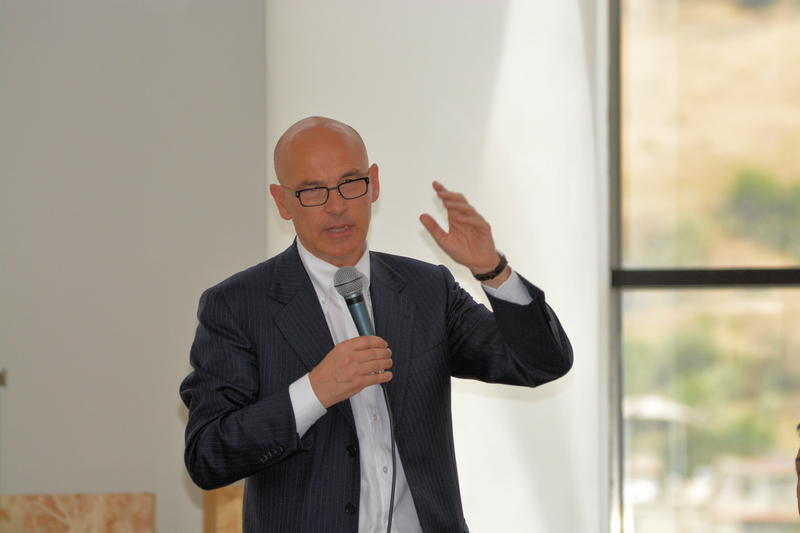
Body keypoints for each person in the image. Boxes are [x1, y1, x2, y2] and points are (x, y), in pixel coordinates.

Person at [180, 116, 573, 533]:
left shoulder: (427, 289)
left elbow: (540, 364)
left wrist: (492, 270)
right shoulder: (238, 305)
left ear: (374, 184)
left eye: (350, 183)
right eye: (312, 191)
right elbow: (208, 456)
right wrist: (314, 391)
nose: (336, 206)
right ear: (282, 201)